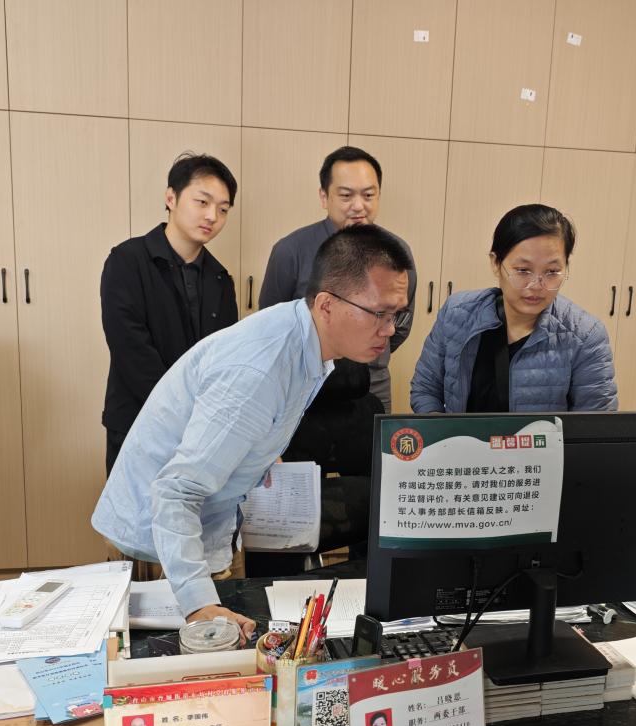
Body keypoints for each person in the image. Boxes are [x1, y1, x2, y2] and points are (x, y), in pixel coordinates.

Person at [92, 226, 414, 638]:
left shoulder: (307, 341)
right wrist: (199, 604)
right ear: (327, 304)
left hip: (208, 529)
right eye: (379, 314)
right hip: (161, 546)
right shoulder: (260, 369)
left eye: (397, 314)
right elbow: (174, 492)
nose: (390, 329)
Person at [100, 152, 239, 474]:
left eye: (223, 209)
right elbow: (130, 349)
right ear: (171, 198)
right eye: (202, 202)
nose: (212, 216)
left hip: (199, 434)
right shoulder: (127, 260)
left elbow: (224, 360)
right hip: (138, 423)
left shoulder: (220, 278)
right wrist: (183, 416)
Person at [410, 204, 618, 414]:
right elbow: (426, 389)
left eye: (552, 271)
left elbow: (595, 421)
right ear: (496, 263)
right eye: (523, 270)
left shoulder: (585, 336)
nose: (536, 285)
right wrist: (441, 429)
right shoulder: (457, 313)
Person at [259, 146, 417, 412]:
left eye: (368, 195)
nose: (359, 206)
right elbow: (270, 327)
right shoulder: (290, 251)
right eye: (346, 195)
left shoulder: (397, 252)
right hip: (302, 389)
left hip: (373, 385)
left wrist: (367, 348)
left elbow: (400, 324)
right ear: (324, 196)